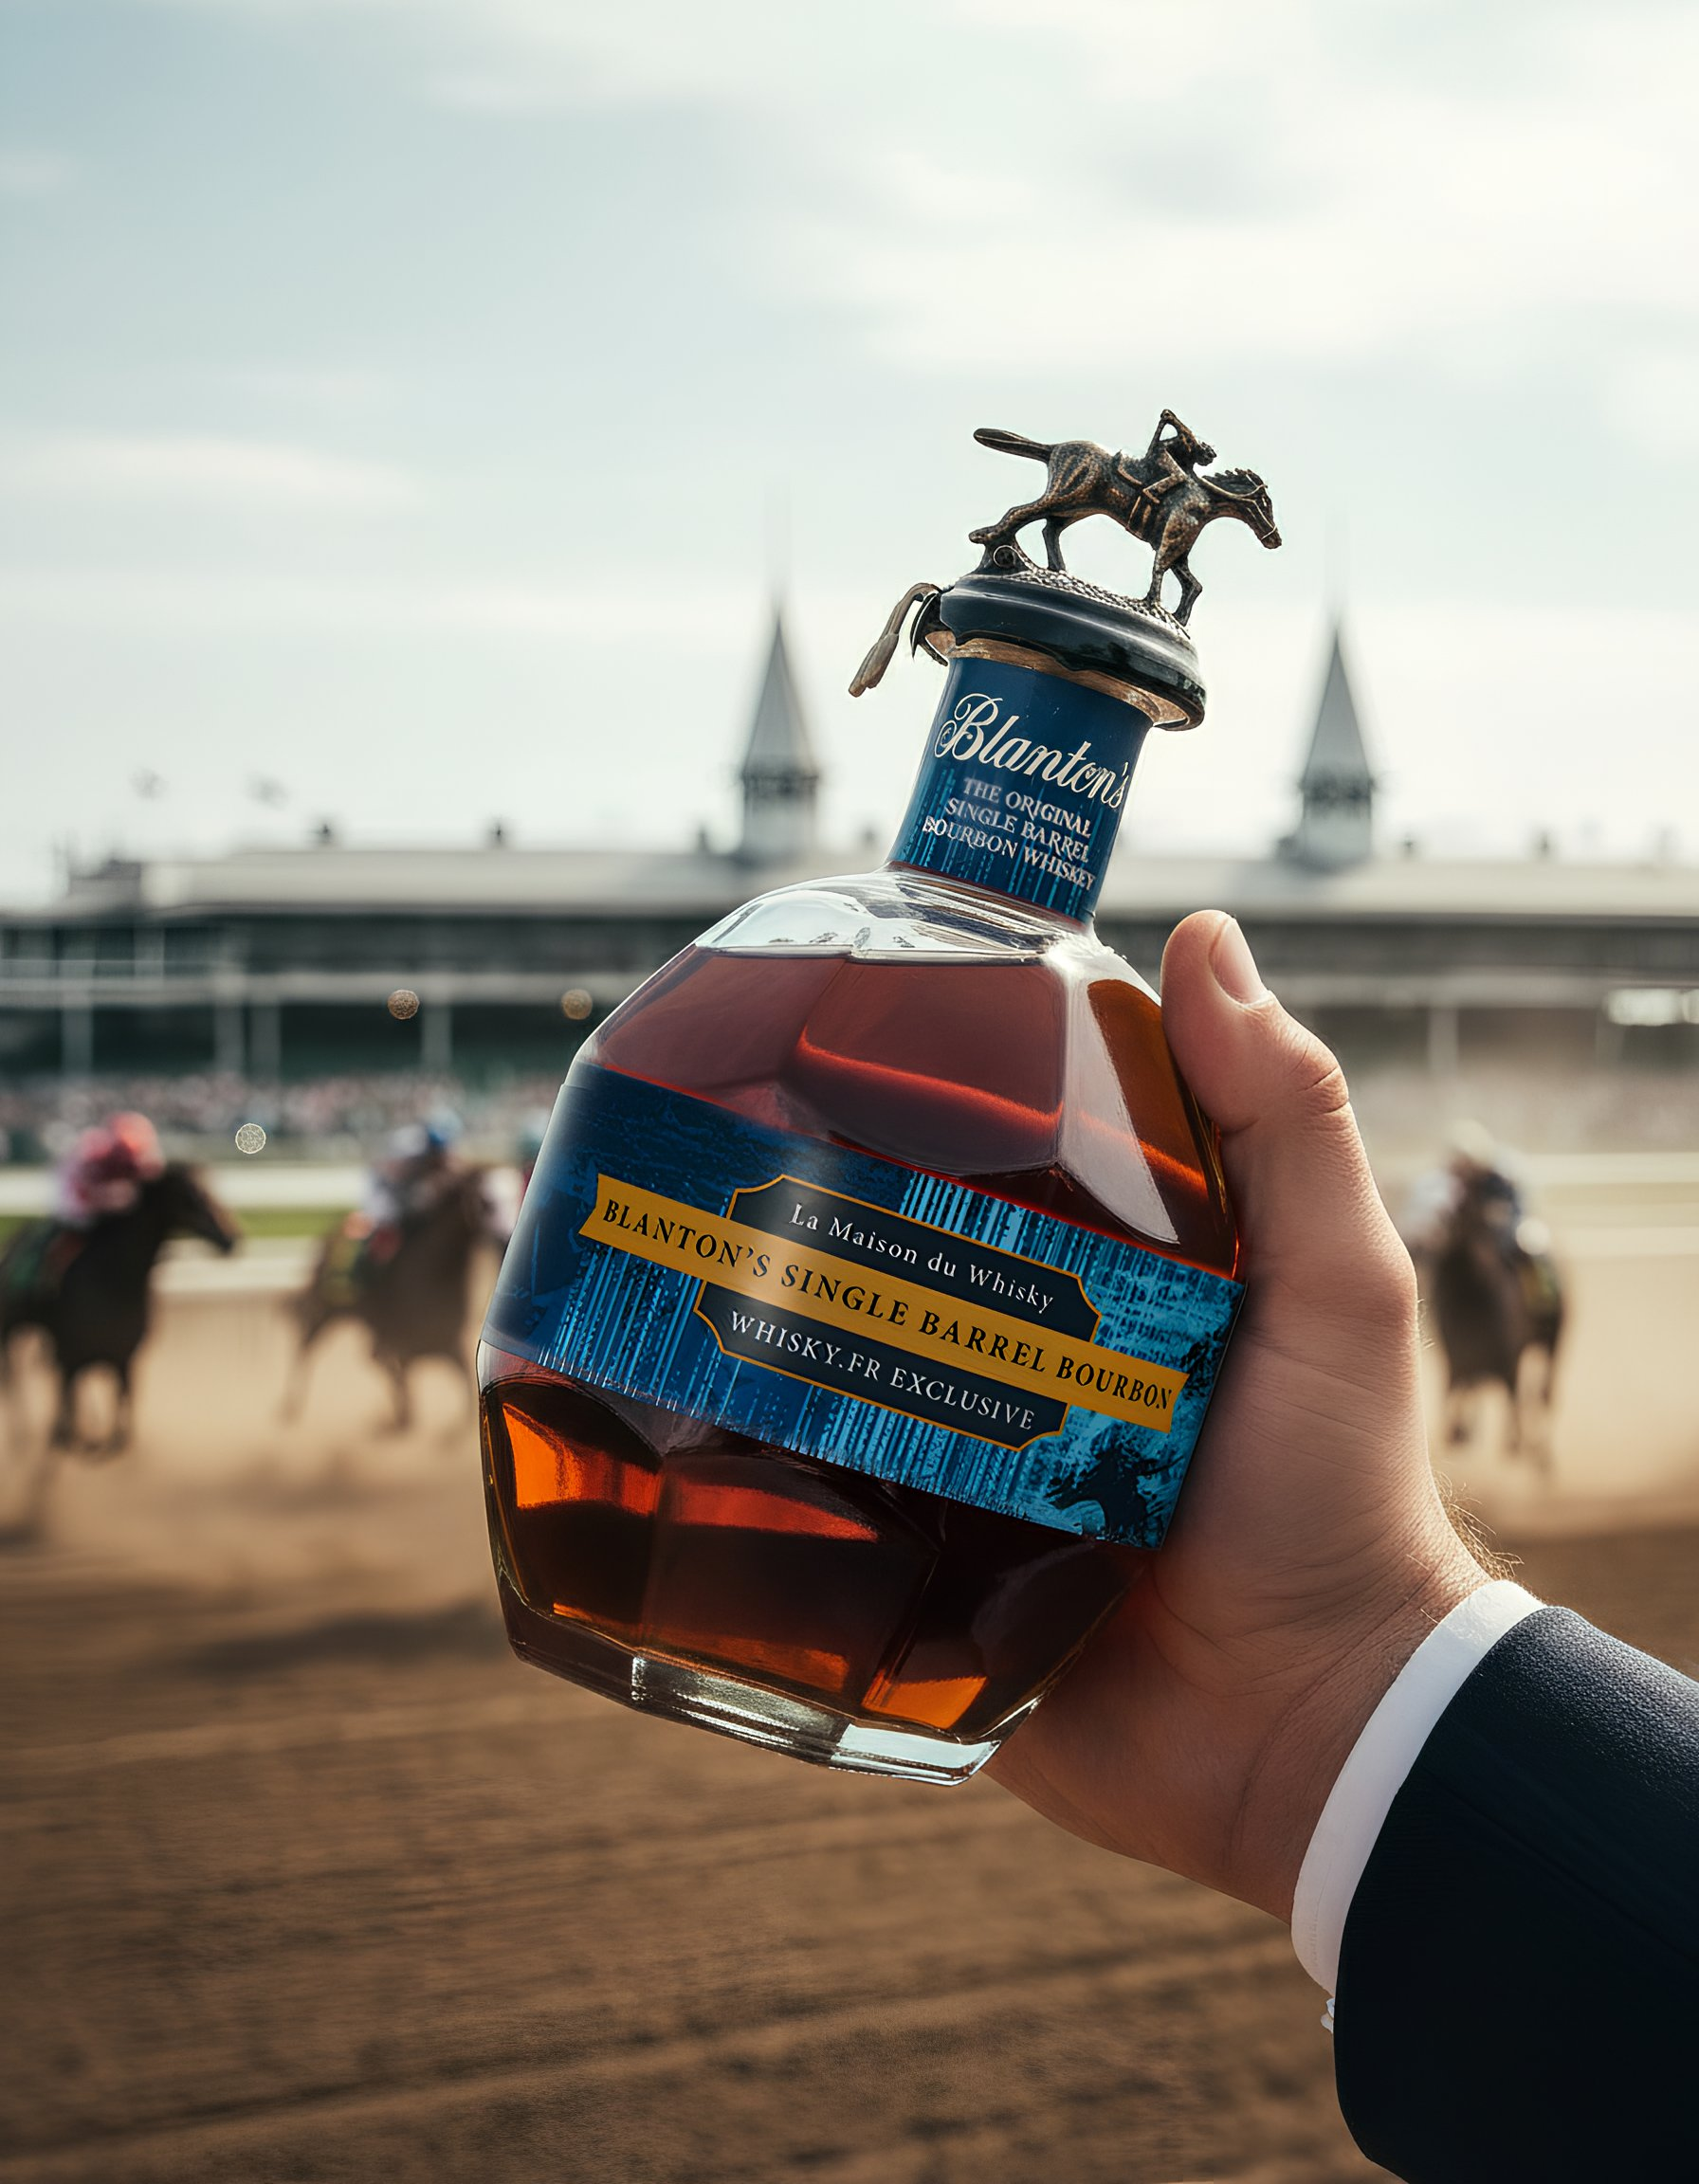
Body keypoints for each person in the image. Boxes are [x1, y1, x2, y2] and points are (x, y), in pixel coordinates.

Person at [990, 911, 1697, 2181]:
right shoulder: (1444, 1185)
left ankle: (1525, 1371)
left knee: (1521, 1268)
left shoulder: (1503, 1184)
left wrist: (1340, 1681)